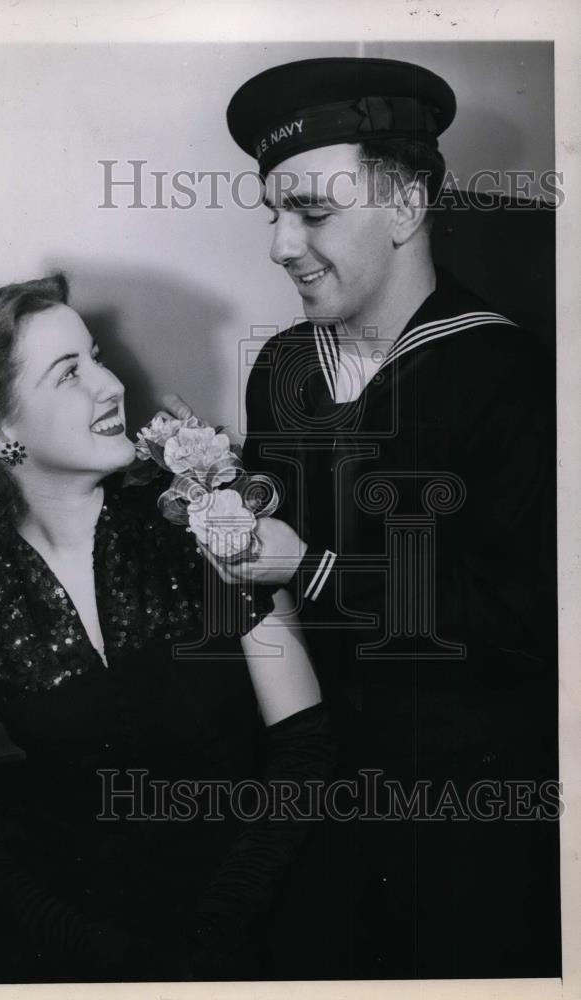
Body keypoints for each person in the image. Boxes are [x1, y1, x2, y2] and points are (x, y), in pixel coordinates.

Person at [0, 274, 333, 983]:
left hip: (271, 908)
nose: (111, 384)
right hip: (85, 941)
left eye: (96, 356)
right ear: (2, 430)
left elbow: (305, 750)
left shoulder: (200, 518)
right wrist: (117, 963)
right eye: (70, 373)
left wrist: (217, 934)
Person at [213, 57, 560, 978]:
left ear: (405, 208)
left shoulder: (514, 378)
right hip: (310, 788)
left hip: (466, 814)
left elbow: (530, 624)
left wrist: (313, 568)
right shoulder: (282, 368)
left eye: (313, 212)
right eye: (273, 212)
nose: (281, 245)